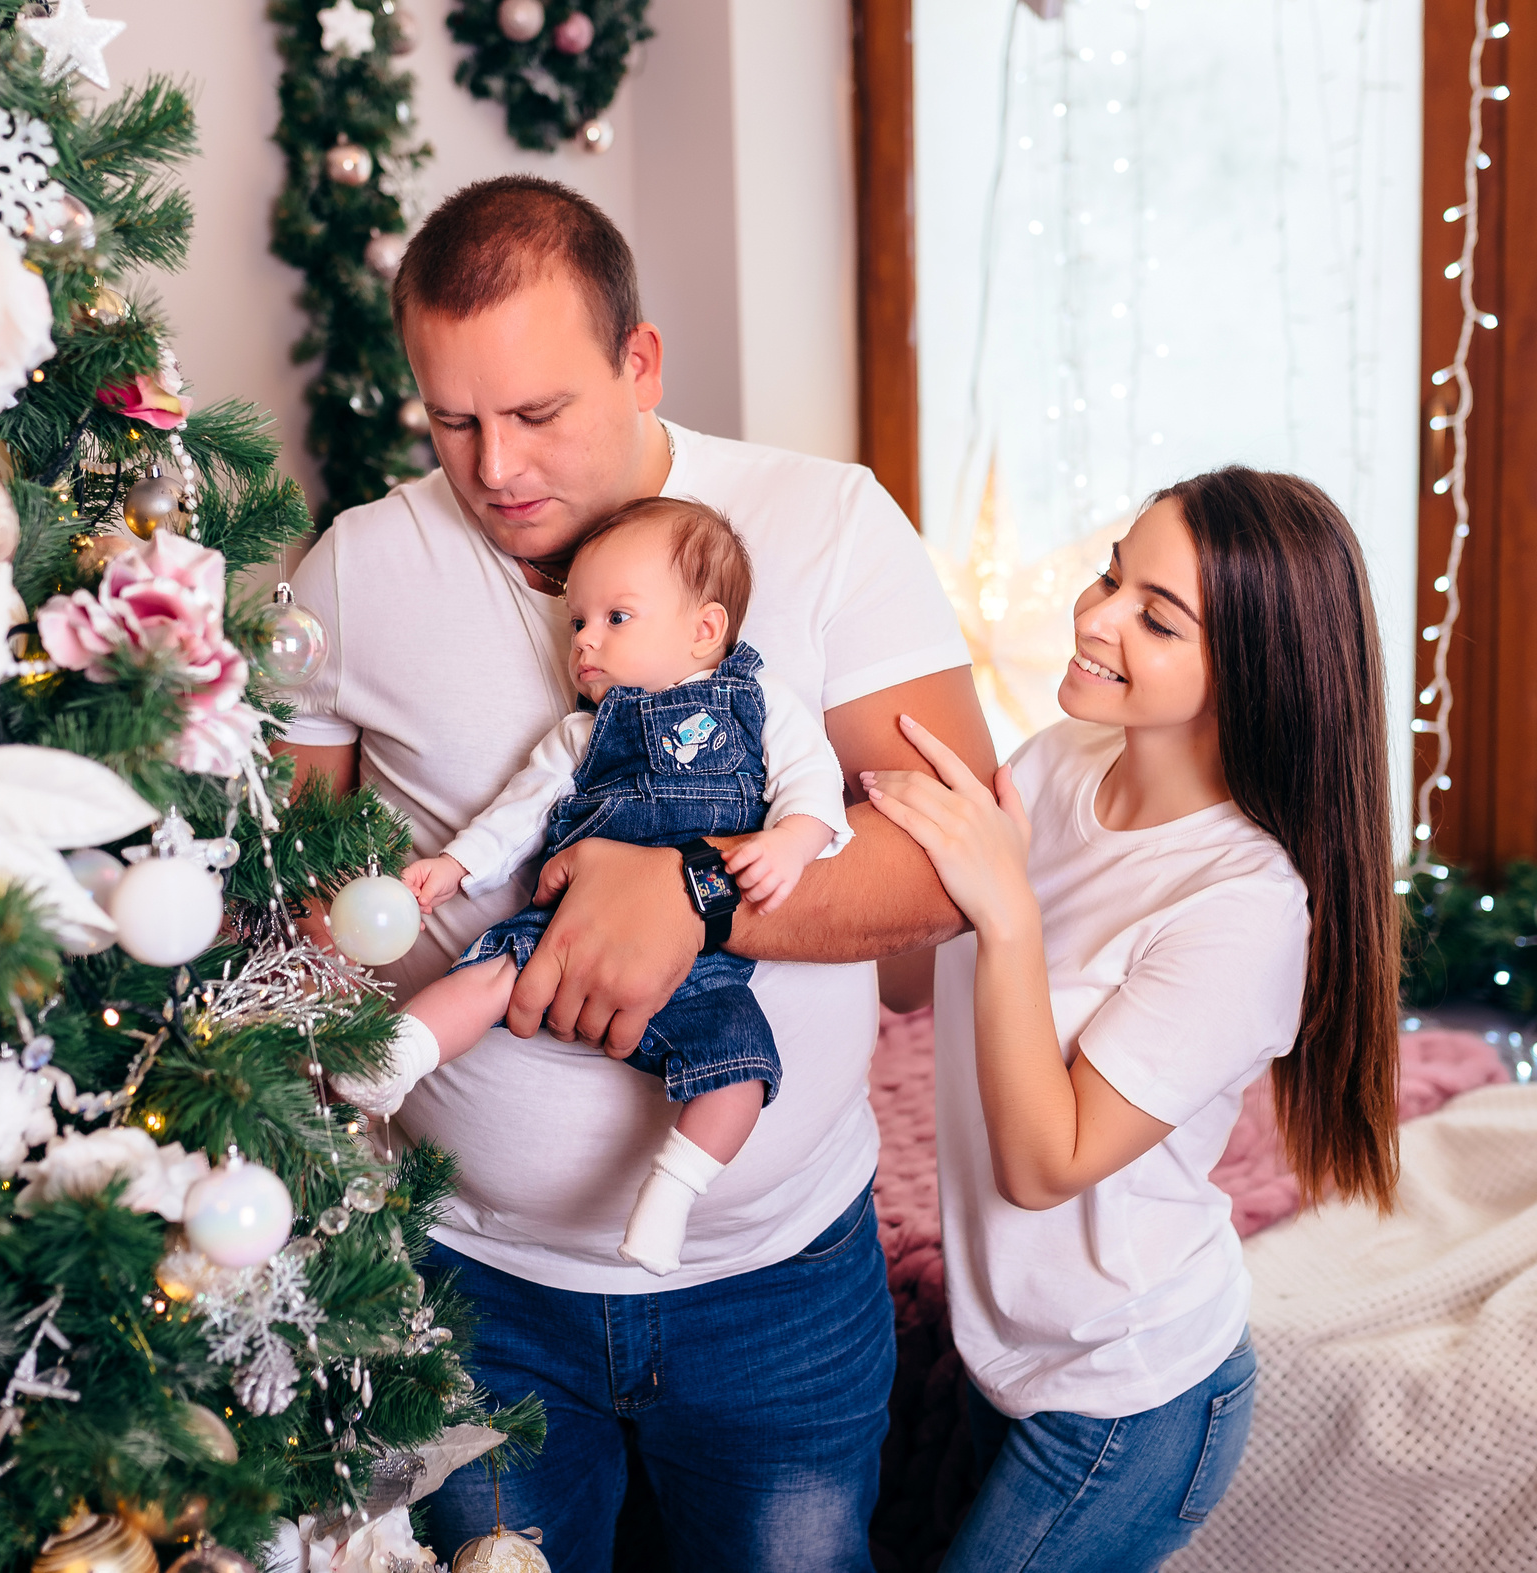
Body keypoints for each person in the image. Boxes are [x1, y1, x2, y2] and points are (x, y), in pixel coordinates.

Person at [276, 174, 990, 1572]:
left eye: (539, 413)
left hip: (777, 1278)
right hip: (466, 1288)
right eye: (454, 419)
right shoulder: (360, 567)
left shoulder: (825, 522)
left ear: (640, 359)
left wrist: (695, 899)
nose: (495, 469)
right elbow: (298, 892)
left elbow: (961, 856)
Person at [863, 467, 1402, 1573]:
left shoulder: (1243, 910)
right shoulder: (1056, 764)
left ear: (1249, 672)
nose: (1095, 615)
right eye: (1113, 574)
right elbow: (909, 983)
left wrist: (1005, 909)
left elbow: (1041, 1160)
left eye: (1155, 617)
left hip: (1131, 1396)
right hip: (999, 1347)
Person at [341, 497, 850, 1276]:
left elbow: (812, 782)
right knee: (482, 976)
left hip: (704, 972)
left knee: (742, 1075)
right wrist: (456, 865)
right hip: (564, 930)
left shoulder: (754, 706)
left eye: (617, 616)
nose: (585, 640)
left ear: (704, 630)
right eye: (577, 621)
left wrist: (792, 840)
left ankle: (671, 1194)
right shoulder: (583, 734)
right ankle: (396, 1059)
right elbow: (517, 812)